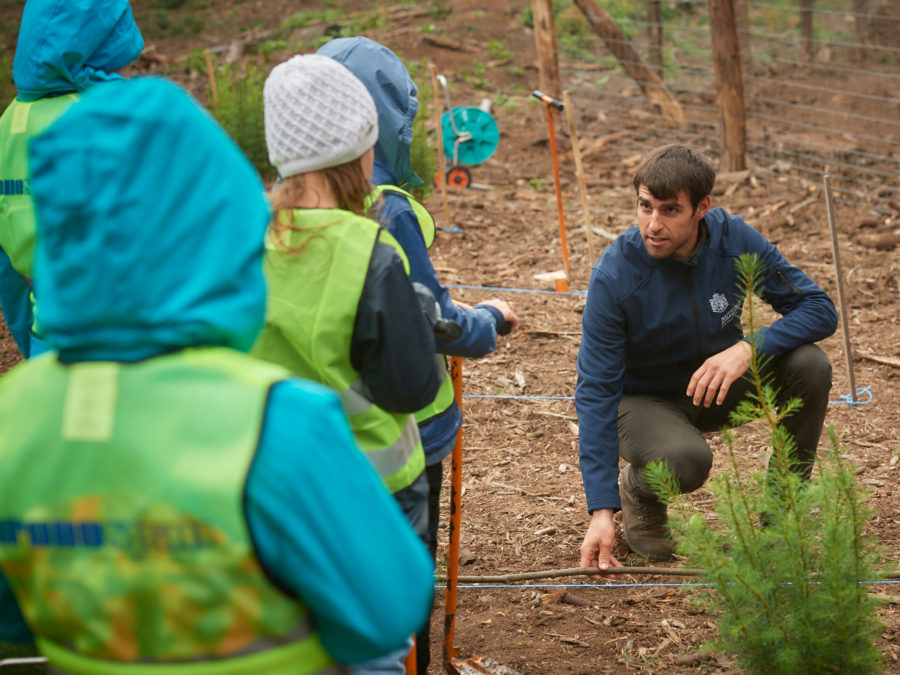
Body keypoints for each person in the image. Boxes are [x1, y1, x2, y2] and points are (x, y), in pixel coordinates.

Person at [0, 77, 433, 672]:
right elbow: (388, 609)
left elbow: (14, 612)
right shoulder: (278, 422)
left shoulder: (14, 413)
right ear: (219, 221)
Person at [317, 36, 520, 673]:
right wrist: (489, 322)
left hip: (318, 433)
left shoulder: (281, 211)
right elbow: (431, 320)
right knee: (405, 581)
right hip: (407, 434)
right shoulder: (391, 212)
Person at [252, 54, 445, 674]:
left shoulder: (242, 240)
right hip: (372, 495)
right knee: (373, 649)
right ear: (361, 152)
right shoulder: (371, 249)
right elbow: (412, 383)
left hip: (271, 493)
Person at [576, 143, 838, 569]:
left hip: (716, 385)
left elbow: (819, 308)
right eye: (644, 207)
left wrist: (749, 347)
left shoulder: (733, 240)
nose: (653, 224)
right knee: (686, 461)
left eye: (669, 210)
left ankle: (781, 524)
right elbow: (595, 391)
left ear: (702, 208)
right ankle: (639, 492)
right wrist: (601, 511)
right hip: (644, 403)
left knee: (810, 365)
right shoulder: (615, 276)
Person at [0, 0, 143, 358]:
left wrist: (31, 343)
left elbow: (6, 271)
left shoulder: (8, 125)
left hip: (49, 334)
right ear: (103, 46)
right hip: (128, 338)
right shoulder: (114, 117)